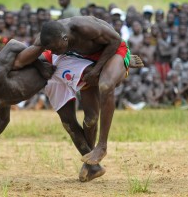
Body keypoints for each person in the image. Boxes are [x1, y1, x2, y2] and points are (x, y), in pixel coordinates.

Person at [0, 39, 143, 182]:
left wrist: (39, 64)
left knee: (94, 83)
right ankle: (94, 167)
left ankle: (121, 60)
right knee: (69, 124)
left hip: (51, 64)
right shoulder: (0, 100)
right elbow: (2, 121)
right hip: (50, 83)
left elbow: (16, 45)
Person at [10, 16, 143, 166]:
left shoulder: (85, 27)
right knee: (90, 119)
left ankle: (102, 146)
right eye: (50, 50)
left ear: (65, 38)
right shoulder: (47, 39)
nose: (54, 52)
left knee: (106, 86)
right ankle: (91, 165)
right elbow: (20, 61)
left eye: (56, 48)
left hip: (113, 50)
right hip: (84, 59)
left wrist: (97, 70)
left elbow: (116, 40)